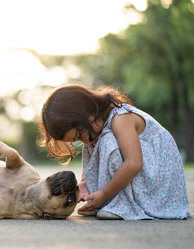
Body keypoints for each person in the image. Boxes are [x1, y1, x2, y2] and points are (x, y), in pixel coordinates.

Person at [39, 84, 190, 220]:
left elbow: (134, 163)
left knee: (105, 141)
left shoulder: (120, 118)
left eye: (79, 135)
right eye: (76, 140)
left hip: (158, 187)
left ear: (85, 112)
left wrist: (104, 194)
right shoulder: (98, 128)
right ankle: (106, 200)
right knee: (93, 143)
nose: (83, 141)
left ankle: (117, 203)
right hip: (143, 178)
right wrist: (85, 184)